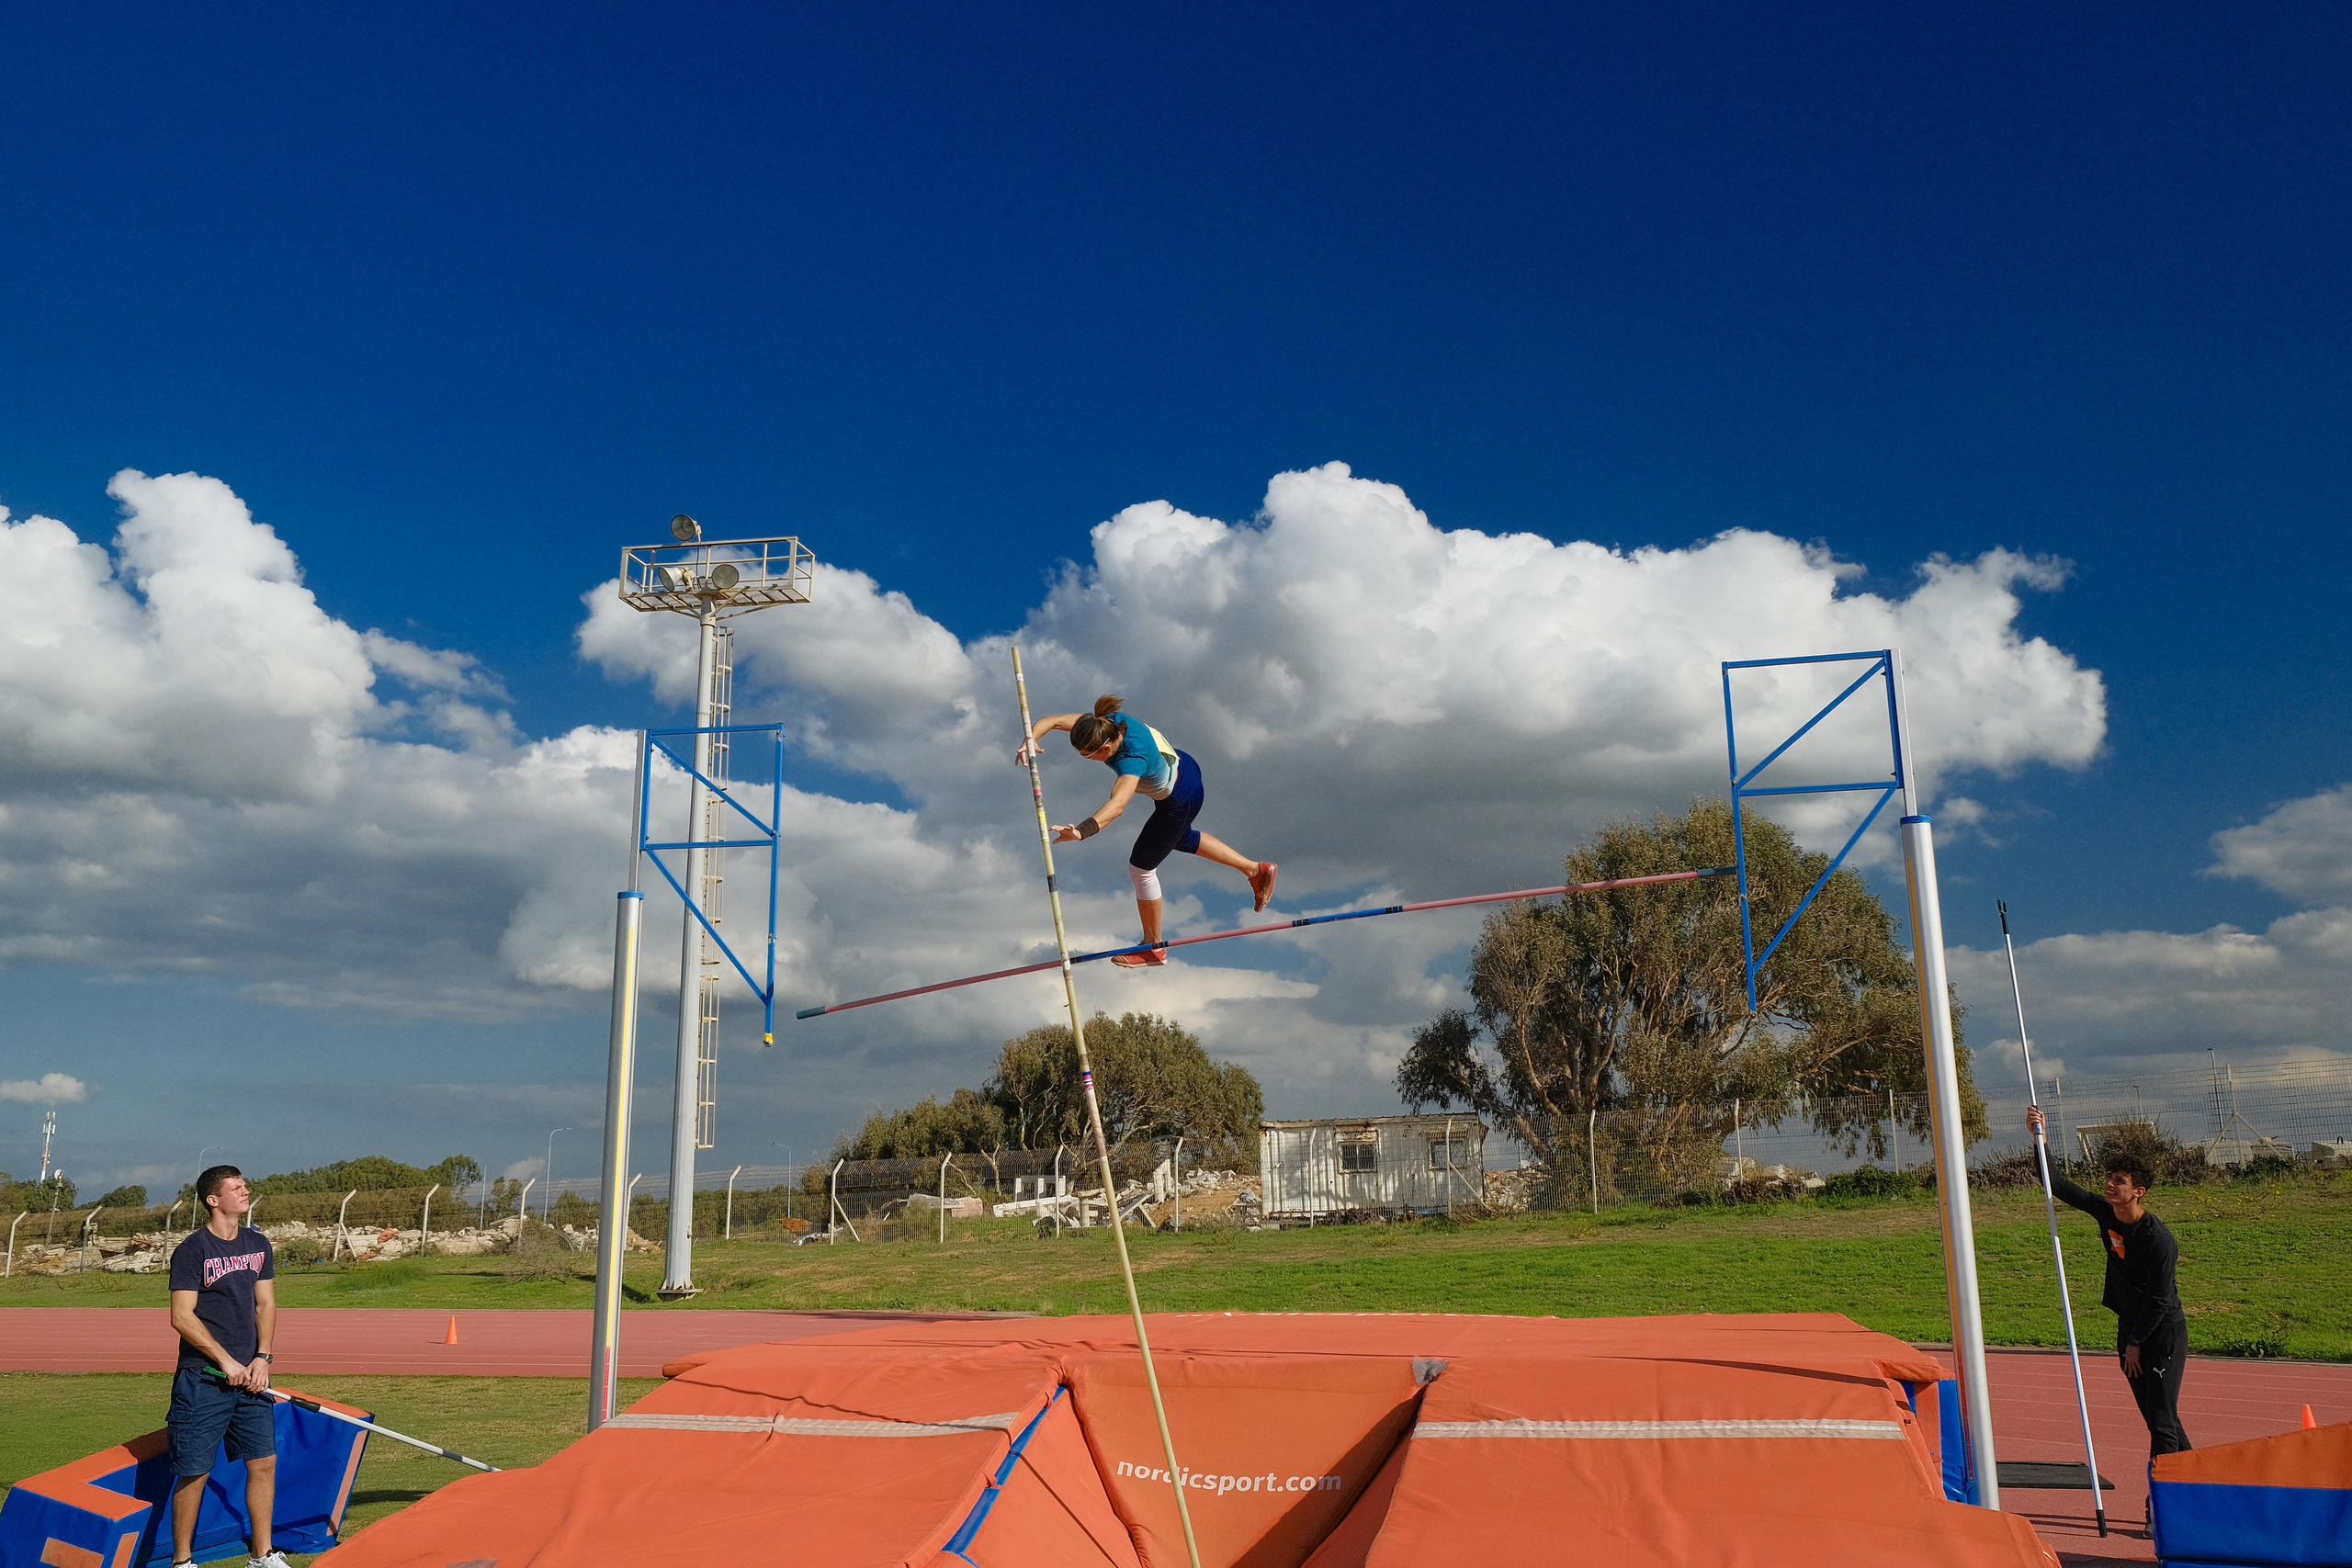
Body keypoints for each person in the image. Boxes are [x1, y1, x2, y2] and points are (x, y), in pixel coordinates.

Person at [1017, 694, 1276, 967]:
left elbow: (1117, 806)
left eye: (1088, 756)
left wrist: (1082, 831)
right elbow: (1054, 721)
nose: (1088, 760)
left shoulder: (1132, 760)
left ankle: (1153, 947)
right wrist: (1031, 739)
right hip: (1185, 767)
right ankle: (1255, 870)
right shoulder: (1106, 723)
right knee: (1180, 838)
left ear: (1105, 749)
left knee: (1141, 868)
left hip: (1180, 798)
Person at [2027, 1107, 2191, 1463]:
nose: (2110, 1184)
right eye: (2111, 1177)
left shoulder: (2158, 1240)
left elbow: (2161, 1300)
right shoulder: (2106, 1212)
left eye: (2120, 1180)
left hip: (2161, 1333)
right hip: (2129, 1327)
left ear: (2139, 1192)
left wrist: (2135, 1343)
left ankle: (2158, 1509)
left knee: (2162, 1421)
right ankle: (2201, 1486)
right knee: (2158, 1417)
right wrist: (2039, 1139)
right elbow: (2057, 1185)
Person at [166, 1164, 286, 1568]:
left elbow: (265, 1303)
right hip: (205, 1379)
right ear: (213, 1200)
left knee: (264, 1462)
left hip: (251, 1378)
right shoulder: (193, 1251)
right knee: (195, 1471)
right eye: (235, 1188)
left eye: (245, 1185)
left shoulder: (257, 1243)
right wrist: (224, 1359)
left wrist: (262, 1358)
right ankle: (182, 1561)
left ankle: (262, 1555)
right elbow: (182, 1316)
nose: (245, 1191)